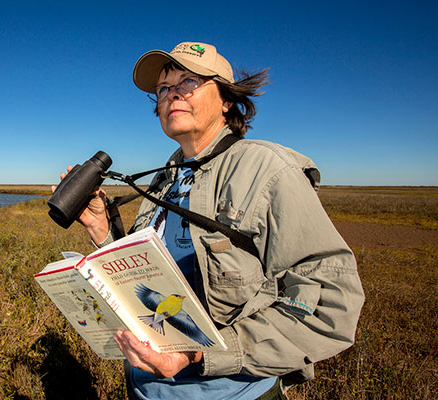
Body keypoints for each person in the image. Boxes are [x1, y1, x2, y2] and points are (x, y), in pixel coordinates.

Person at [55, 41, 364, 399]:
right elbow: (142, 278)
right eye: (163, 89)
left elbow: (332, 301)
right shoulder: (165, 178)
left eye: (189, 82)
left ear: (227, 100)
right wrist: (100, 229)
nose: (173, 95)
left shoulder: (266, 169)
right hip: (144, 390)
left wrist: (199, 354)